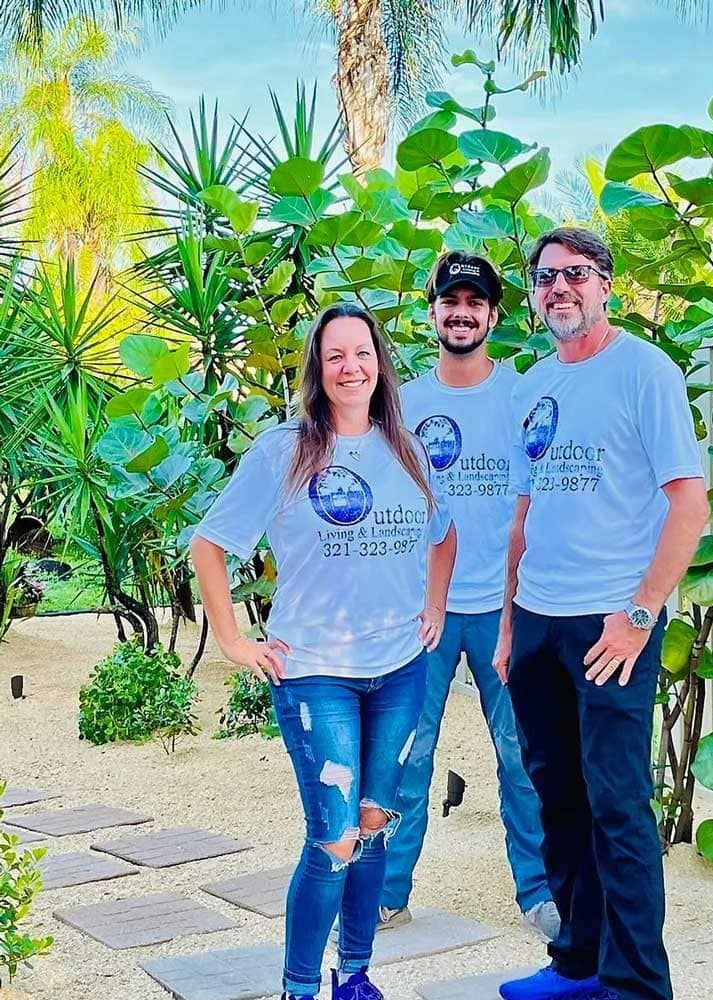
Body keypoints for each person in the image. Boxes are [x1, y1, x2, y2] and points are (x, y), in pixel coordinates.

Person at [189, 303, 456, 1000]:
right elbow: (209, 546)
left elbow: (444, 534)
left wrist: (433, 608)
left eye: (361, 353)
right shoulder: (284, 451)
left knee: (373, 825)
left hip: (399, 670)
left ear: (379, 364)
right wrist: (232, 638)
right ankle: (299, 988)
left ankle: (356, 975)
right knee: (334, 836)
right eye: (335, 355)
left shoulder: (407, 448)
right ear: (318, 368)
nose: (350, 367)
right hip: (314, 675)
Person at [494, 228, 710, 1000]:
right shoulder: (531, 387)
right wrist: (512, 625)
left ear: (606, 285)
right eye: (546, 277)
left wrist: (638, 615)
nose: (559, 288)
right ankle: (579, 964)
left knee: (617, 803)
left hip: (611, 625)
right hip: (539, 620)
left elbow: (690, 503)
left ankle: (637, 988)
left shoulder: (644, 373)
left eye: (575, 274)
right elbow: (525, 512)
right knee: (556, 794)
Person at [380, 251, 558, 940]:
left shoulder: (523, 394)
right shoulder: (404, 404)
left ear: (492, 314)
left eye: (474, 301)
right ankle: (387, 892)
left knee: (521, 755)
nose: (461, 311)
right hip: (422, 613)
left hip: (507, 609)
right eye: (449, 300)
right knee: (407, 756)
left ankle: (540, 894)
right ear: (433, 313)